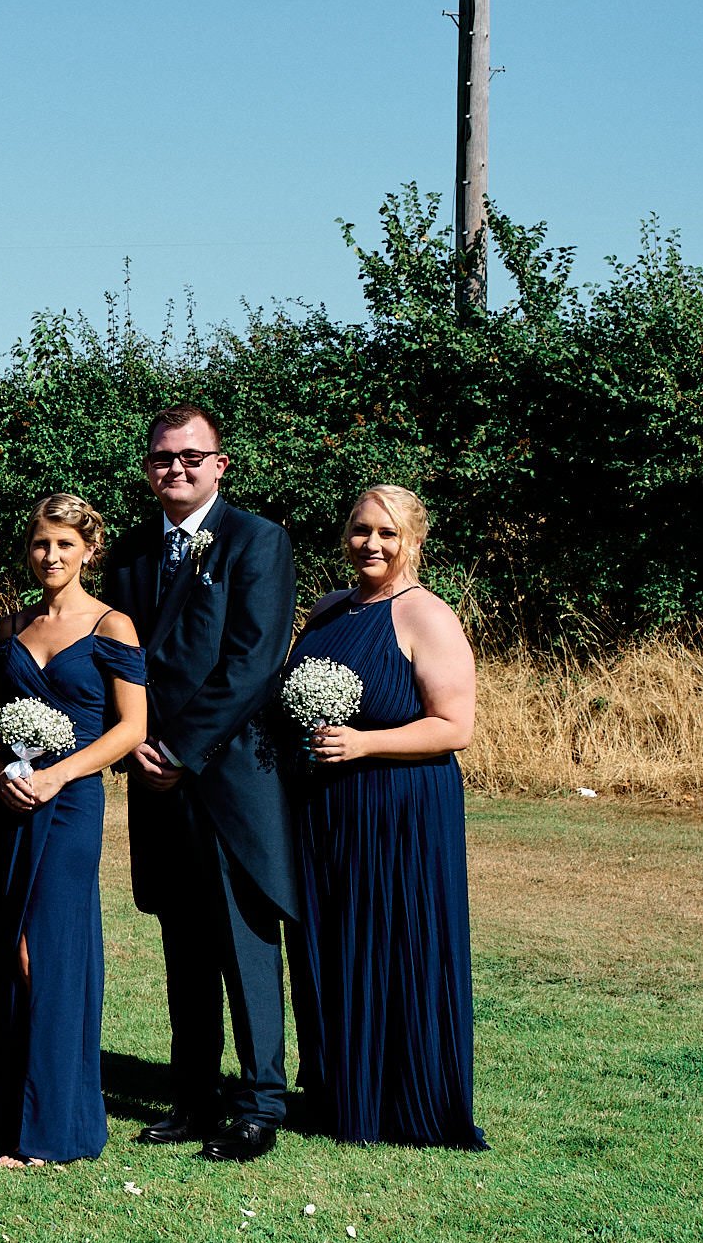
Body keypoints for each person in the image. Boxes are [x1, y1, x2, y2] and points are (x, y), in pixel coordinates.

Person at [101, 404, 300, 1163]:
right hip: (154, 785)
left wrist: (179, 746)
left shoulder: (257, 541)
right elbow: (120, 661)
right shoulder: (129, 554)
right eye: (161, 458)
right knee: (182, 945)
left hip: (228, 781)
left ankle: (257, 1103)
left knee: (245, 943)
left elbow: (252, 661)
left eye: (190, 456)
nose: (175, 469)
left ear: (220, 463)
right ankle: (191, 1096)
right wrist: (133, 746)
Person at [285, 487, 487, 1150]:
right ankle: (340, 1092)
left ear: (414, 541)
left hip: (400, 808)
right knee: (335, 945)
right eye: (361, 530)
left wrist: (365, 742)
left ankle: (408, 1103)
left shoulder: (427, 616)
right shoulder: (326, 611)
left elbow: (455, 726)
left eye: (388, 533)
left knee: (398, 943)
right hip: (327, 809)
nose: (371, 544)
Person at [0, 495, 147, 1166]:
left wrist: (58, 775)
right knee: (7, 947)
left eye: (65, 545)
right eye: (41, 544)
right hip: (11, 799)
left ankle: (57, 1125)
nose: (51, 556)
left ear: (89, 550)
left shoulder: (113, 626)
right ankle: (9, 1112)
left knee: (45, 950)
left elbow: (130, 727)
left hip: (70, 805)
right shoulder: (10, 626)